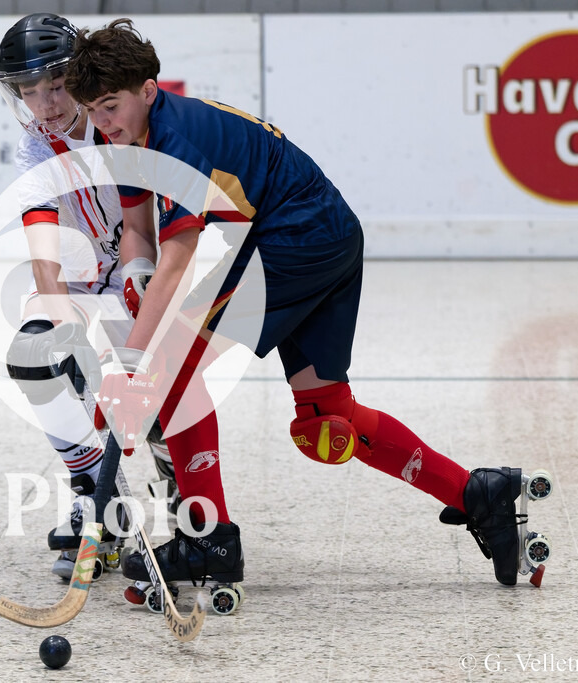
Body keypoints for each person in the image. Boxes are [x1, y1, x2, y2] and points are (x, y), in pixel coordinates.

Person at [65, 18, 534, 590]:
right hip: (325, 232)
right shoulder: (127, 136)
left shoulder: (175, 142)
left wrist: (135, 367)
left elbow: (180, 255)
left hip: (298, 237)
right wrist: (136, 282)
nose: (101, 121)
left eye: (111, 105)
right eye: (92, 109)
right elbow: (140, 229)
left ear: (148, 89)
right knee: (326, 417)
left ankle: (208, 539)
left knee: (174, 367)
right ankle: (476, 493)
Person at [0, 13, 180, 580]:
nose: (46, 104)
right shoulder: (33, 150)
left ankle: (179, 487)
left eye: (55, 86)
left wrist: (137, 281)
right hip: (77, 279)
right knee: (34, 353)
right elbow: (43, 251)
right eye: (30, 92)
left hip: (136, 262)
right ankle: (94, 496)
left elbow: (146, 220)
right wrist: (60, 321)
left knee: (145, 391)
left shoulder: (118, 120)